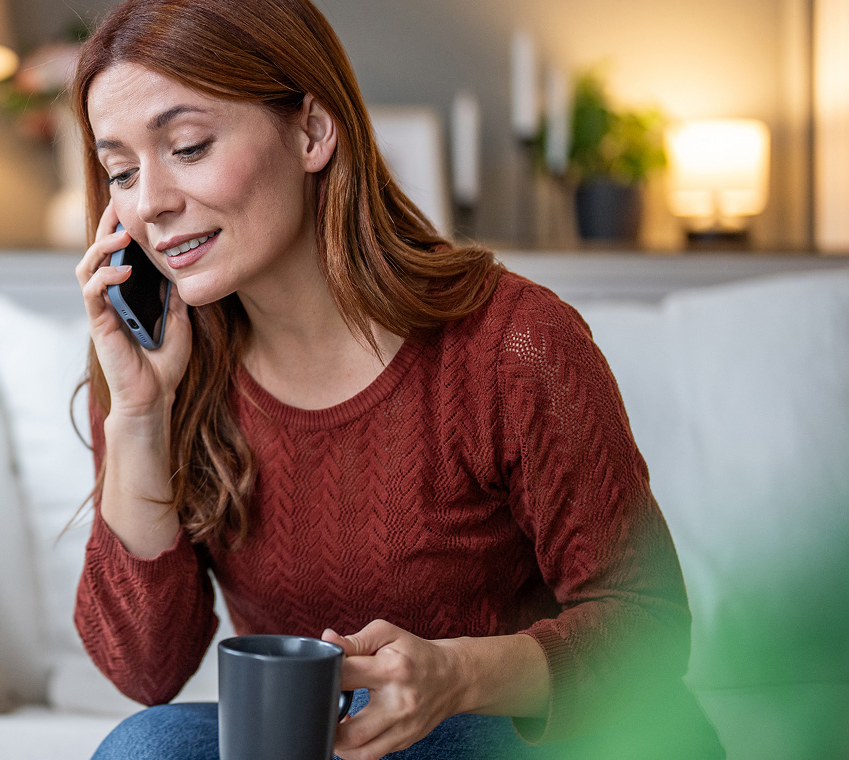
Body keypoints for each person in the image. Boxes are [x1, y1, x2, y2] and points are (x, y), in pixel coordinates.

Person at [70, 1, 724, 758]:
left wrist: (456, 674)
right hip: (321, 743)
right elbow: (144, 670)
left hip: (518, 736)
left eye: (186, 146)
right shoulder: (157, 375)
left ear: (312, 131)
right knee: (147, 744)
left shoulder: (511, 342)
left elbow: (646, 621)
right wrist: (141, 418)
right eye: (120, 170)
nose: (147, 201)